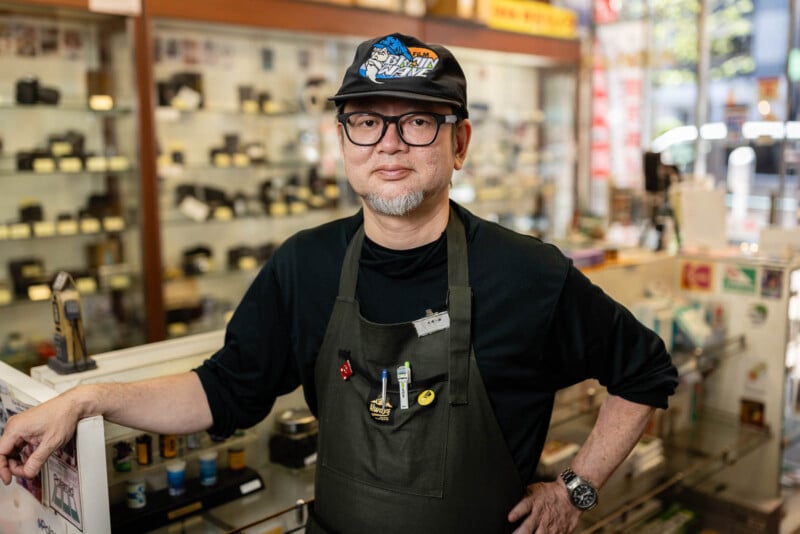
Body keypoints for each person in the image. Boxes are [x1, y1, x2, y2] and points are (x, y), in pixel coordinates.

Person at [0, 33, 677, 533]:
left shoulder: (527, 274)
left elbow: (644, 372)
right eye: (366, 120)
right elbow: (221, 391)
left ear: (459, 143)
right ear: (343, 141)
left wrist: (576, 489)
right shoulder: (306, 266)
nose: (388, 143)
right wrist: (86, 400)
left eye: (416, 121)